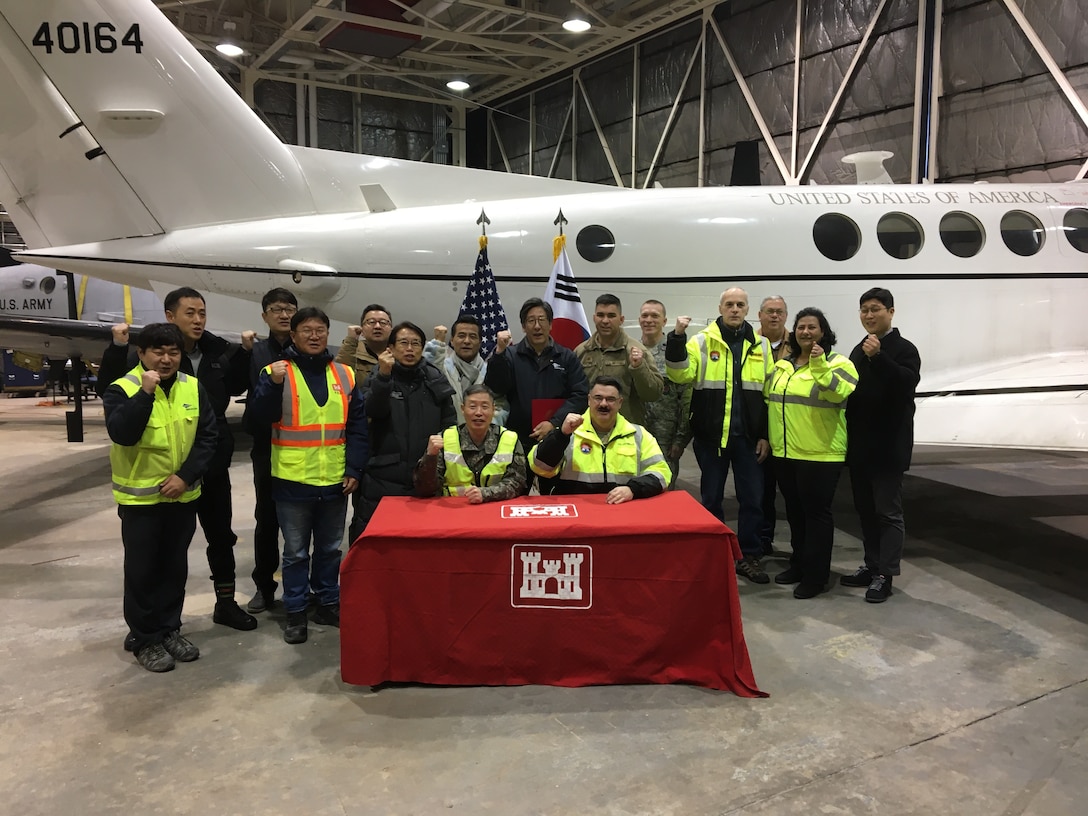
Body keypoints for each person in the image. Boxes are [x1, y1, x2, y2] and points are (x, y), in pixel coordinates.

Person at [96, 287, 258, 631]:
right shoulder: (151, 356)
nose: (198, 320)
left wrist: (244, 353)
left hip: (208, 466)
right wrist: (117, 348)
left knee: (220, 537)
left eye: (202, 313)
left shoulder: (215, 352)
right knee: (155, 560)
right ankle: (149, 631)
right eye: (190, 313)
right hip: (160, 481)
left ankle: (225, 603)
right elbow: (112, 392)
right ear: (170, 315)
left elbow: (234, 387)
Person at [248, 307, 368, 644]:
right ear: (294, 335)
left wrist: (353, 468)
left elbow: (357, 428)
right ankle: (296, 611)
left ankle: (328, 603)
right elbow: (258, 419)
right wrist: (271, 386)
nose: (314, 336)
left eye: (320, 330)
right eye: (307, 330)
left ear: (328, 334)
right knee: (296, 553)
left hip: (334, 480)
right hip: (292, 480)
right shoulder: (276, 372)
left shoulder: (344, 374)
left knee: (330, 549)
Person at [103, 323, 218, 672]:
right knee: (142, 573)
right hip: (141, 502)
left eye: (174, 352)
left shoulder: (192, 387)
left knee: (173, 569)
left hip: (181, 499)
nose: (166, 359)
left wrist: (185, 477)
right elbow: (122, 433)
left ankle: (169, 630)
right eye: (158, 351)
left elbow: (208, 436)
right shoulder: (122, 389)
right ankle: (144, 638)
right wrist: (145, 394)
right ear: (141, 354)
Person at [665, 288, 774, 584]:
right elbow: (679, 374)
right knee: (711, 498)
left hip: (749, 439)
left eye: (740, 305)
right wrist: (676, 338)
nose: (735, 309)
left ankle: (749, 555)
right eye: (730, 304)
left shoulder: (761, 346)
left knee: (752, 499)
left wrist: (764, 435)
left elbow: (768, 395)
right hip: (712, 437)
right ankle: (717, 552)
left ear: (748, 309)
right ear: (720, 308)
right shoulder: (701, 342)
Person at [765, 307, 858, 599]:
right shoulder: (784, 366)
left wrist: (818, 365)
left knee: (816, 516)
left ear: (823, 333)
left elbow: (836, 393)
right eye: (801, 327)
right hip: (786, 453)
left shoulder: (839, 363)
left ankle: (816, 576)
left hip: (820, 456)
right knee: (795, 514)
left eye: (812, 327)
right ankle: (799, 564)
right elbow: (770, 400)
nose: (806, 332)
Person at [842, 288, 921, 603]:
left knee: (888, 512)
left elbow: (906, 383)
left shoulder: (904, 349)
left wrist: (880, 357)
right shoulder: (858, 350)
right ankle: (871, 565)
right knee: (864, 511)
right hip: (860, 446)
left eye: (875, 309)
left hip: (888, 448)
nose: (869, 315)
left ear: (891, 311)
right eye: (864, 310)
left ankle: (885, 574)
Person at [349, 321, 457, 540]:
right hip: (383, 478)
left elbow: (449, 423)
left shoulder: (434, 378)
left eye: (416, 343)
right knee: (378, 543)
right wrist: (384, 377)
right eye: (404, 343)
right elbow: (372, 411)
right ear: (390, 348)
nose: (410, 349)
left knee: (420, 545)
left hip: (424, 477)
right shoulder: (378, 376)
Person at [484, 297, 589, 491]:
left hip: (557, 439)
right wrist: (499, 353)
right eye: (531, 321)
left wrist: (555, 423)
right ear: (523, 326)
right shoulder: (510, 355)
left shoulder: (567, 357)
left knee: (554, 494)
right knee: (517, 492)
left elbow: (580, 394)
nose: (537, 326)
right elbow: (495, 388)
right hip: (517, 439)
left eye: (542, 320)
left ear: (550, 324)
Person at [529, 375, 671, 502]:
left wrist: (633, 490)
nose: (603, 404)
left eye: (610, 399)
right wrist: (561, 436)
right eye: (598, 398)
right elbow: (539, 467)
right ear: (589, 400)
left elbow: (661, 473)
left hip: (623, 510)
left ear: (620, 403)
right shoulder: (568, 432)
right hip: (576, 513)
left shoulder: (639, 435)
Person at [242, 288, 298, 613]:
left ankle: (297, 589)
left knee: (298, 523)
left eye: (289, 308)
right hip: (265, 447)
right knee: (266, 520)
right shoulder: (255, 350)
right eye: (276, 309)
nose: (283, 314)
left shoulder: (304, 349)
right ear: (265, 315)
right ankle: (264, 587)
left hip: (296, 446)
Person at [414, 384, 526, 502]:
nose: (478, 412)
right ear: (462, 409)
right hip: (452, 511)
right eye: (472, 406)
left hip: (495, 509)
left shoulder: (509, 439)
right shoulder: (445, 439)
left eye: (484, 407)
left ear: (494, 410)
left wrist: (486, 494)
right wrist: (430, 456)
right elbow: (425, 490)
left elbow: (517, 482)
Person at [575, 294, 663, 424]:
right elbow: (573, 394)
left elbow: (653, 394)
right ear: (594, 318)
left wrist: (639, 368)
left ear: (621, 319)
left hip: (626, 431)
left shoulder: (636, 351)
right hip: (588, 431)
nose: (605, 321)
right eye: (600, 315)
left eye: (611, 316)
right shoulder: (581, 352)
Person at [638, 299, 692, 487]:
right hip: (635, 433)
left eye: (655, 316)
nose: (649, 320)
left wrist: (681, 439)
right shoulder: (631, 350)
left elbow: (686, 398)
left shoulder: (675, 351)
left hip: (665, 437)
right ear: (639, 320)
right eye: (645, 315)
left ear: (664, 320)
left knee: (664, 487)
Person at [422, 314, 508, 425]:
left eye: (472, 336)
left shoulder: (490, 373)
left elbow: (501, 405)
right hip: (446, 437)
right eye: (461, 336)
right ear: (452, 341)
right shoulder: (442, 369)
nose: (467, 341)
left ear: (480, 342)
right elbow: (429, 374)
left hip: (482, 437)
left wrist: (486, 428)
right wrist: (437, 343)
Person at [756, 295, 791, 556]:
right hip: (761, 428)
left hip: (792, 431)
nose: (774, 316)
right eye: (769, 311)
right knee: (763, 491)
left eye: (779, 312)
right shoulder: (750, 343)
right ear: (760, 315)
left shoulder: (800, 344)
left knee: (793, 494)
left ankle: (799, 548)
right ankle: (764, 538)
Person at [335, 303, 392, 384]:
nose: (377, 326)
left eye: (383, 322)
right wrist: (351, 340)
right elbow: (340, 379)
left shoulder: (400, 354)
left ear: (391, 329)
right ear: (362, 330)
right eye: (371, 322)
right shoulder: (352, 352)